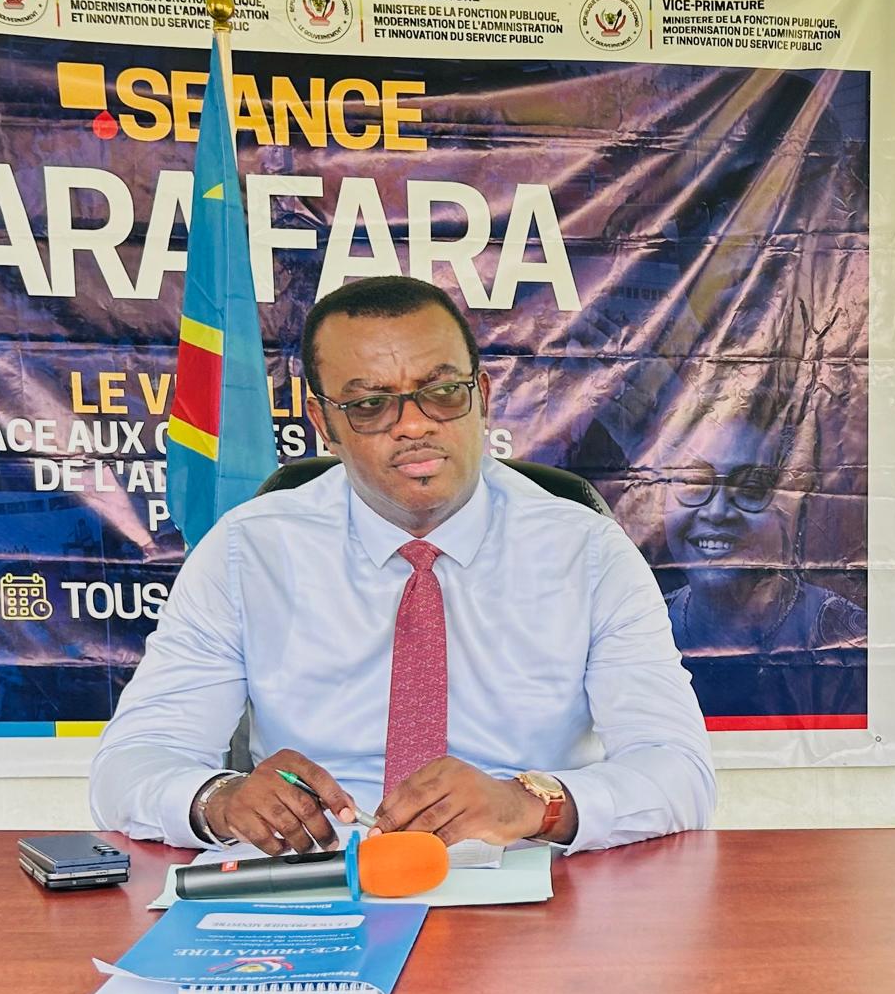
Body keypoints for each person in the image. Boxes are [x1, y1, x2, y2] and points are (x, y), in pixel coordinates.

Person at [88, 273, 715, 855]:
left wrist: (533, 805)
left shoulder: (589, 554)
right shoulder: (246, 553)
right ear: (323, 422)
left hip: (527, 887)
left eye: (442, 393)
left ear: (483, 396)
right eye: (369, 406)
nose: (414, 425)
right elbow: (132, 763)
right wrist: (219, 801)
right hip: (315, 882)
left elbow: (679, 772)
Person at [651, 412, 867, 722]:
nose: (718, 511)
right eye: (695, 482)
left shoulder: (846, 637)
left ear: (792, 507)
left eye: (751, 489)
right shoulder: (638, 627)